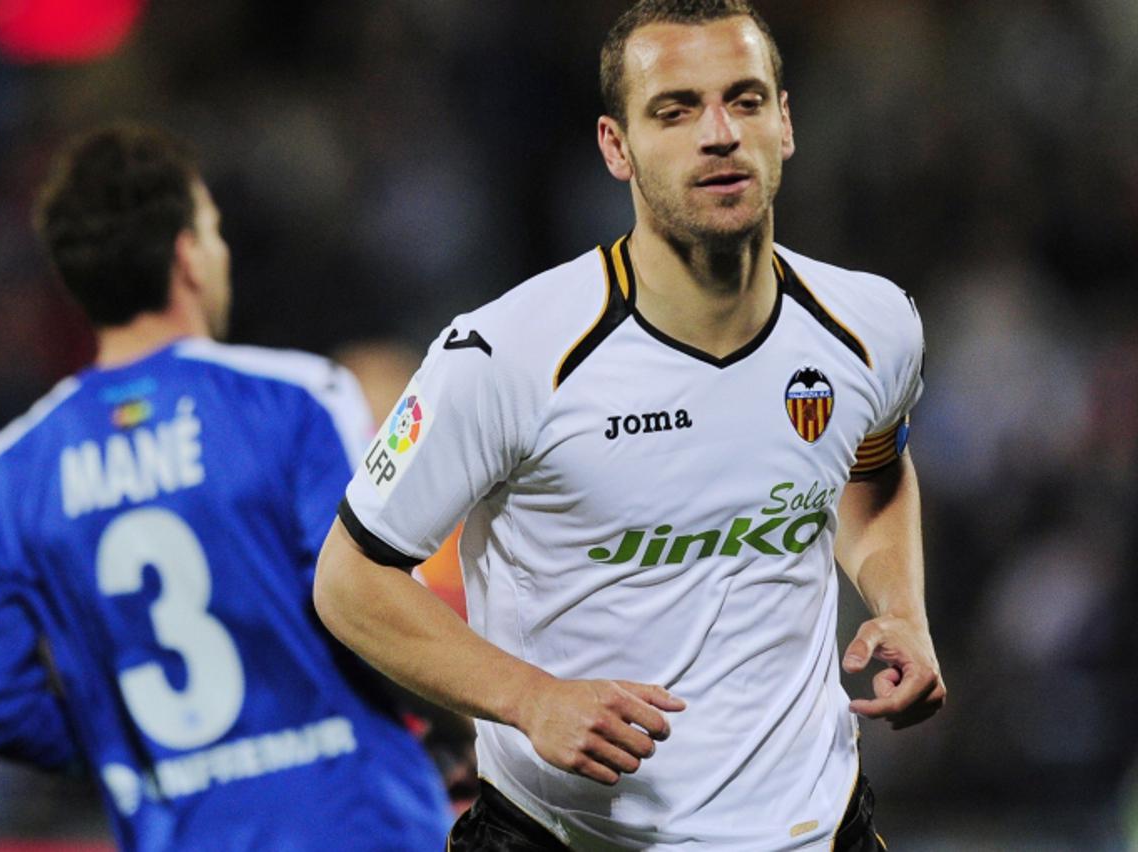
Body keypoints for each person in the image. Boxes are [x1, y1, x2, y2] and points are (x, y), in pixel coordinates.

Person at [313, 1, 946, 849]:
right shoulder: (509, 353)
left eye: (745, 100)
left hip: (819, 825)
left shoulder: (872, 326)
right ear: (617, 146)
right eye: (675, 110)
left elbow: (873, 471)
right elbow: (349, 581)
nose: (718, 134)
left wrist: (901, 607)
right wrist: (529, 697)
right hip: (564, 833)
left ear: (785, 123)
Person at [0, 125, 452, 851]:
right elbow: (364, 605)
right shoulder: (296, 401)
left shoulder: (2, 478)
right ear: (186, 255)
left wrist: (133, 750)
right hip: (356, 821)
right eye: (212, 230)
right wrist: (467, 727)